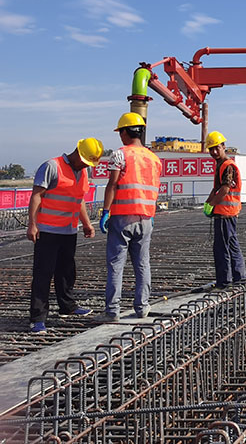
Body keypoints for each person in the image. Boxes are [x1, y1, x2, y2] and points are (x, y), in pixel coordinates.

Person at [27, 138, 104, 333]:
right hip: (48, 231)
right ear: (78, 153)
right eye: (85, 161)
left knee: (66, 272)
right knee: (43, 274)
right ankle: (37, 318)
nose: (86, 166)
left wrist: (86, 224)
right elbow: (36, 195)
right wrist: (32, 224)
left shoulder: (83, 171)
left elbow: (79, 200)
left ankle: (67, 306)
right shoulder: (52, 166)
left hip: (69, 231)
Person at [97, 112, 161, 321]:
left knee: (116, 264)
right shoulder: (154, 158)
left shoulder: (120, 155)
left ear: (125, 132)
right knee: (142, 264)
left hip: (122, 217)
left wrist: (106, 211)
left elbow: (113, 185)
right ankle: (142, 307)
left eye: (120, 132)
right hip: (146, 219)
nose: (120, 136)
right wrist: (150, 214)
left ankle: (112, 311)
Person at [204, 130, 246, 288]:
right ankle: (239, 277)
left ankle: (224, 281)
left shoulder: (227, 166)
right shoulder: (221, 165)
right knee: (232, 245)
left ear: (223, 146)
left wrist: (213, 204)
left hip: (225, 214)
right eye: (211, 149)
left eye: (217, 148)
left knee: (222, 249)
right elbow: (217, 188)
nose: (214, 152)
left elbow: (225, 189)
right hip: (227, 214)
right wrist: (208, 202)